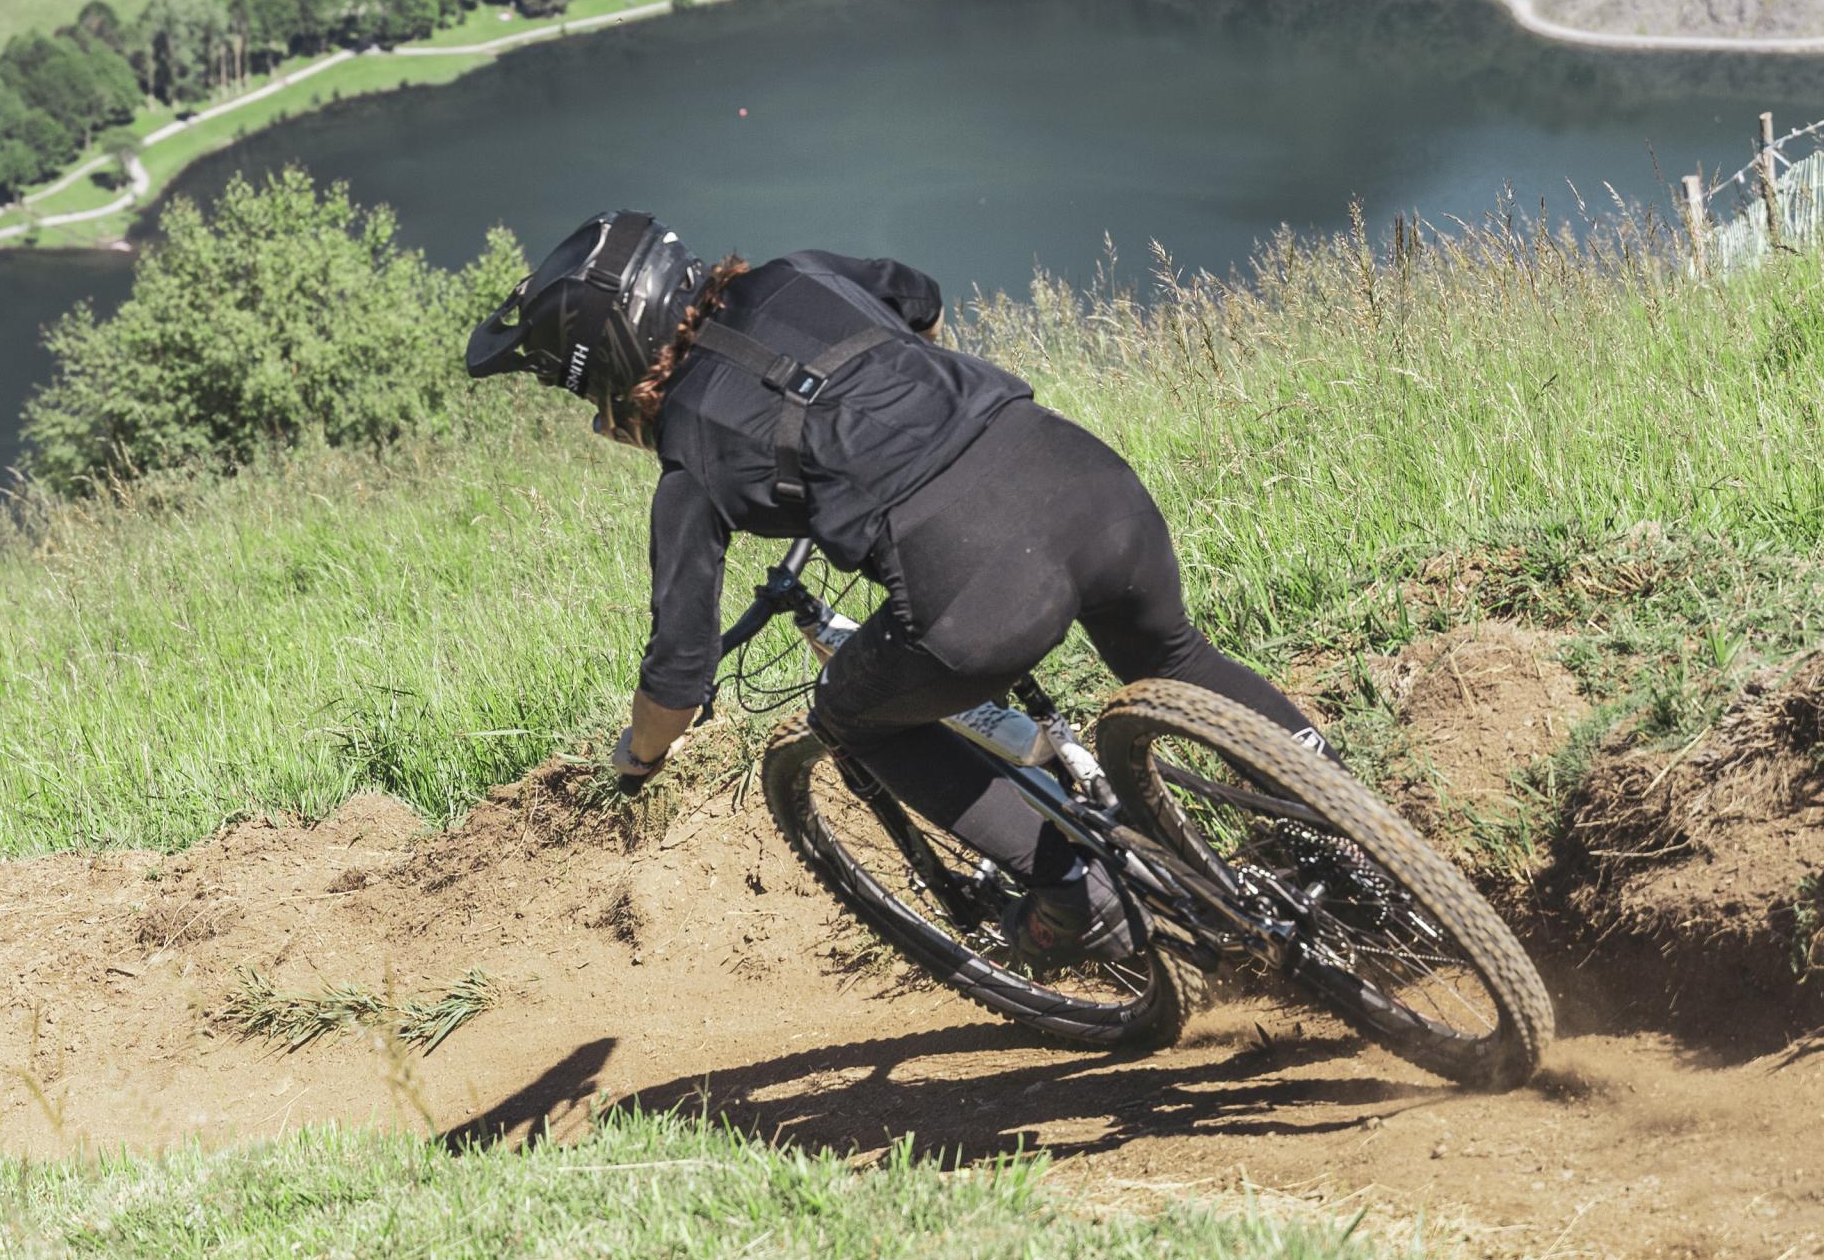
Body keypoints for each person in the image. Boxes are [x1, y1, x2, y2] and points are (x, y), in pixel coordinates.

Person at [467, 211, 1323, 962]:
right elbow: (920, 296)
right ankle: (1352, 836)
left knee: (849, 716)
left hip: (973, 586)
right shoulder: (797, 274)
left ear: (612, 373)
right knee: (1172, 653)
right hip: (1084, 478)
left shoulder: (688, 458)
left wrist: (640, 756)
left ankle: (1078, 899)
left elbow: (679, 673)